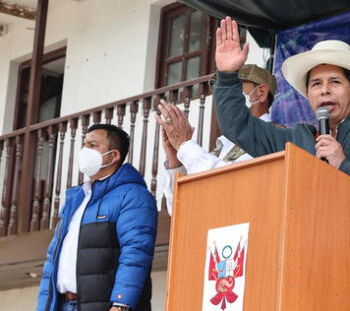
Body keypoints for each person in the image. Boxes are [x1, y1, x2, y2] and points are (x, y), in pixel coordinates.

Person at [211, 16, 350, 204]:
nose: (325, 91)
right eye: (316, 84)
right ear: (308, 95)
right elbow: (237, 126)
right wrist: (228, 75)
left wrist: (345, 165)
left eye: (335, 82)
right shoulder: (295, 140)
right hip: (304, 245)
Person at [37, 124, 158, 311]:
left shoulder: (133, 195)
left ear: (113, 155)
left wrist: (121, 304)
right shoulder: (76, 198)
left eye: (93, 145)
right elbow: (52, 262)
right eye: (84, 145)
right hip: (62, 305)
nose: (85, 150)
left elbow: (135, 252)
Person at [156, 64, 277, 215]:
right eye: (221, 92)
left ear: (261, 93)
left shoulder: (271, 138)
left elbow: (228, 185)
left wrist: (185, 145)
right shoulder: (224, 145)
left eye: (233, 89)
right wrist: (176, 162)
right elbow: (179, 210)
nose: (222, 99)